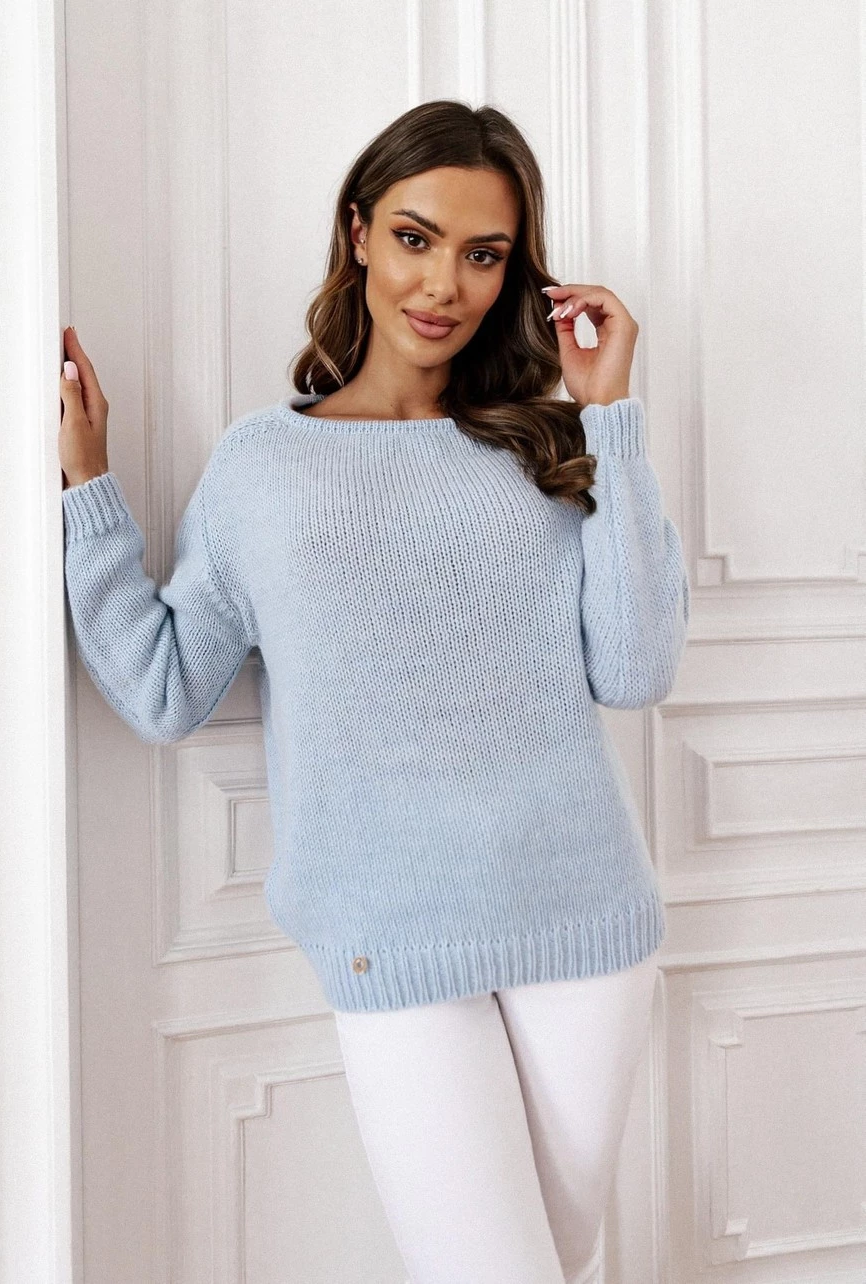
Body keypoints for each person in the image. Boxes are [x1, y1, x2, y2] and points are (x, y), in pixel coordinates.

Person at [59, 100, 689, 1284]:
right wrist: (87, 489)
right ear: (357, 232)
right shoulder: (264, 465)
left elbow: (635, 667)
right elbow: (161, 690)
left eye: (483, 254)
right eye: (413, 237)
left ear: (513, 272)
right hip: (387, 942)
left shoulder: (541, 448)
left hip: (584, 922)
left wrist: (609, 415)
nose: (442, 284)